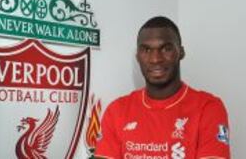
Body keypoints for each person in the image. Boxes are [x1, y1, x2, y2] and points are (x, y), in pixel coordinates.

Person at [95, 16, 230, 159]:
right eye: (146, 50)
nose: (155, 59)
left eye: (166, 48)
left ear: (181, 52)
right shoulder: (117, 111)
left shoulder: (208, 108)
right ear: (137, 56)